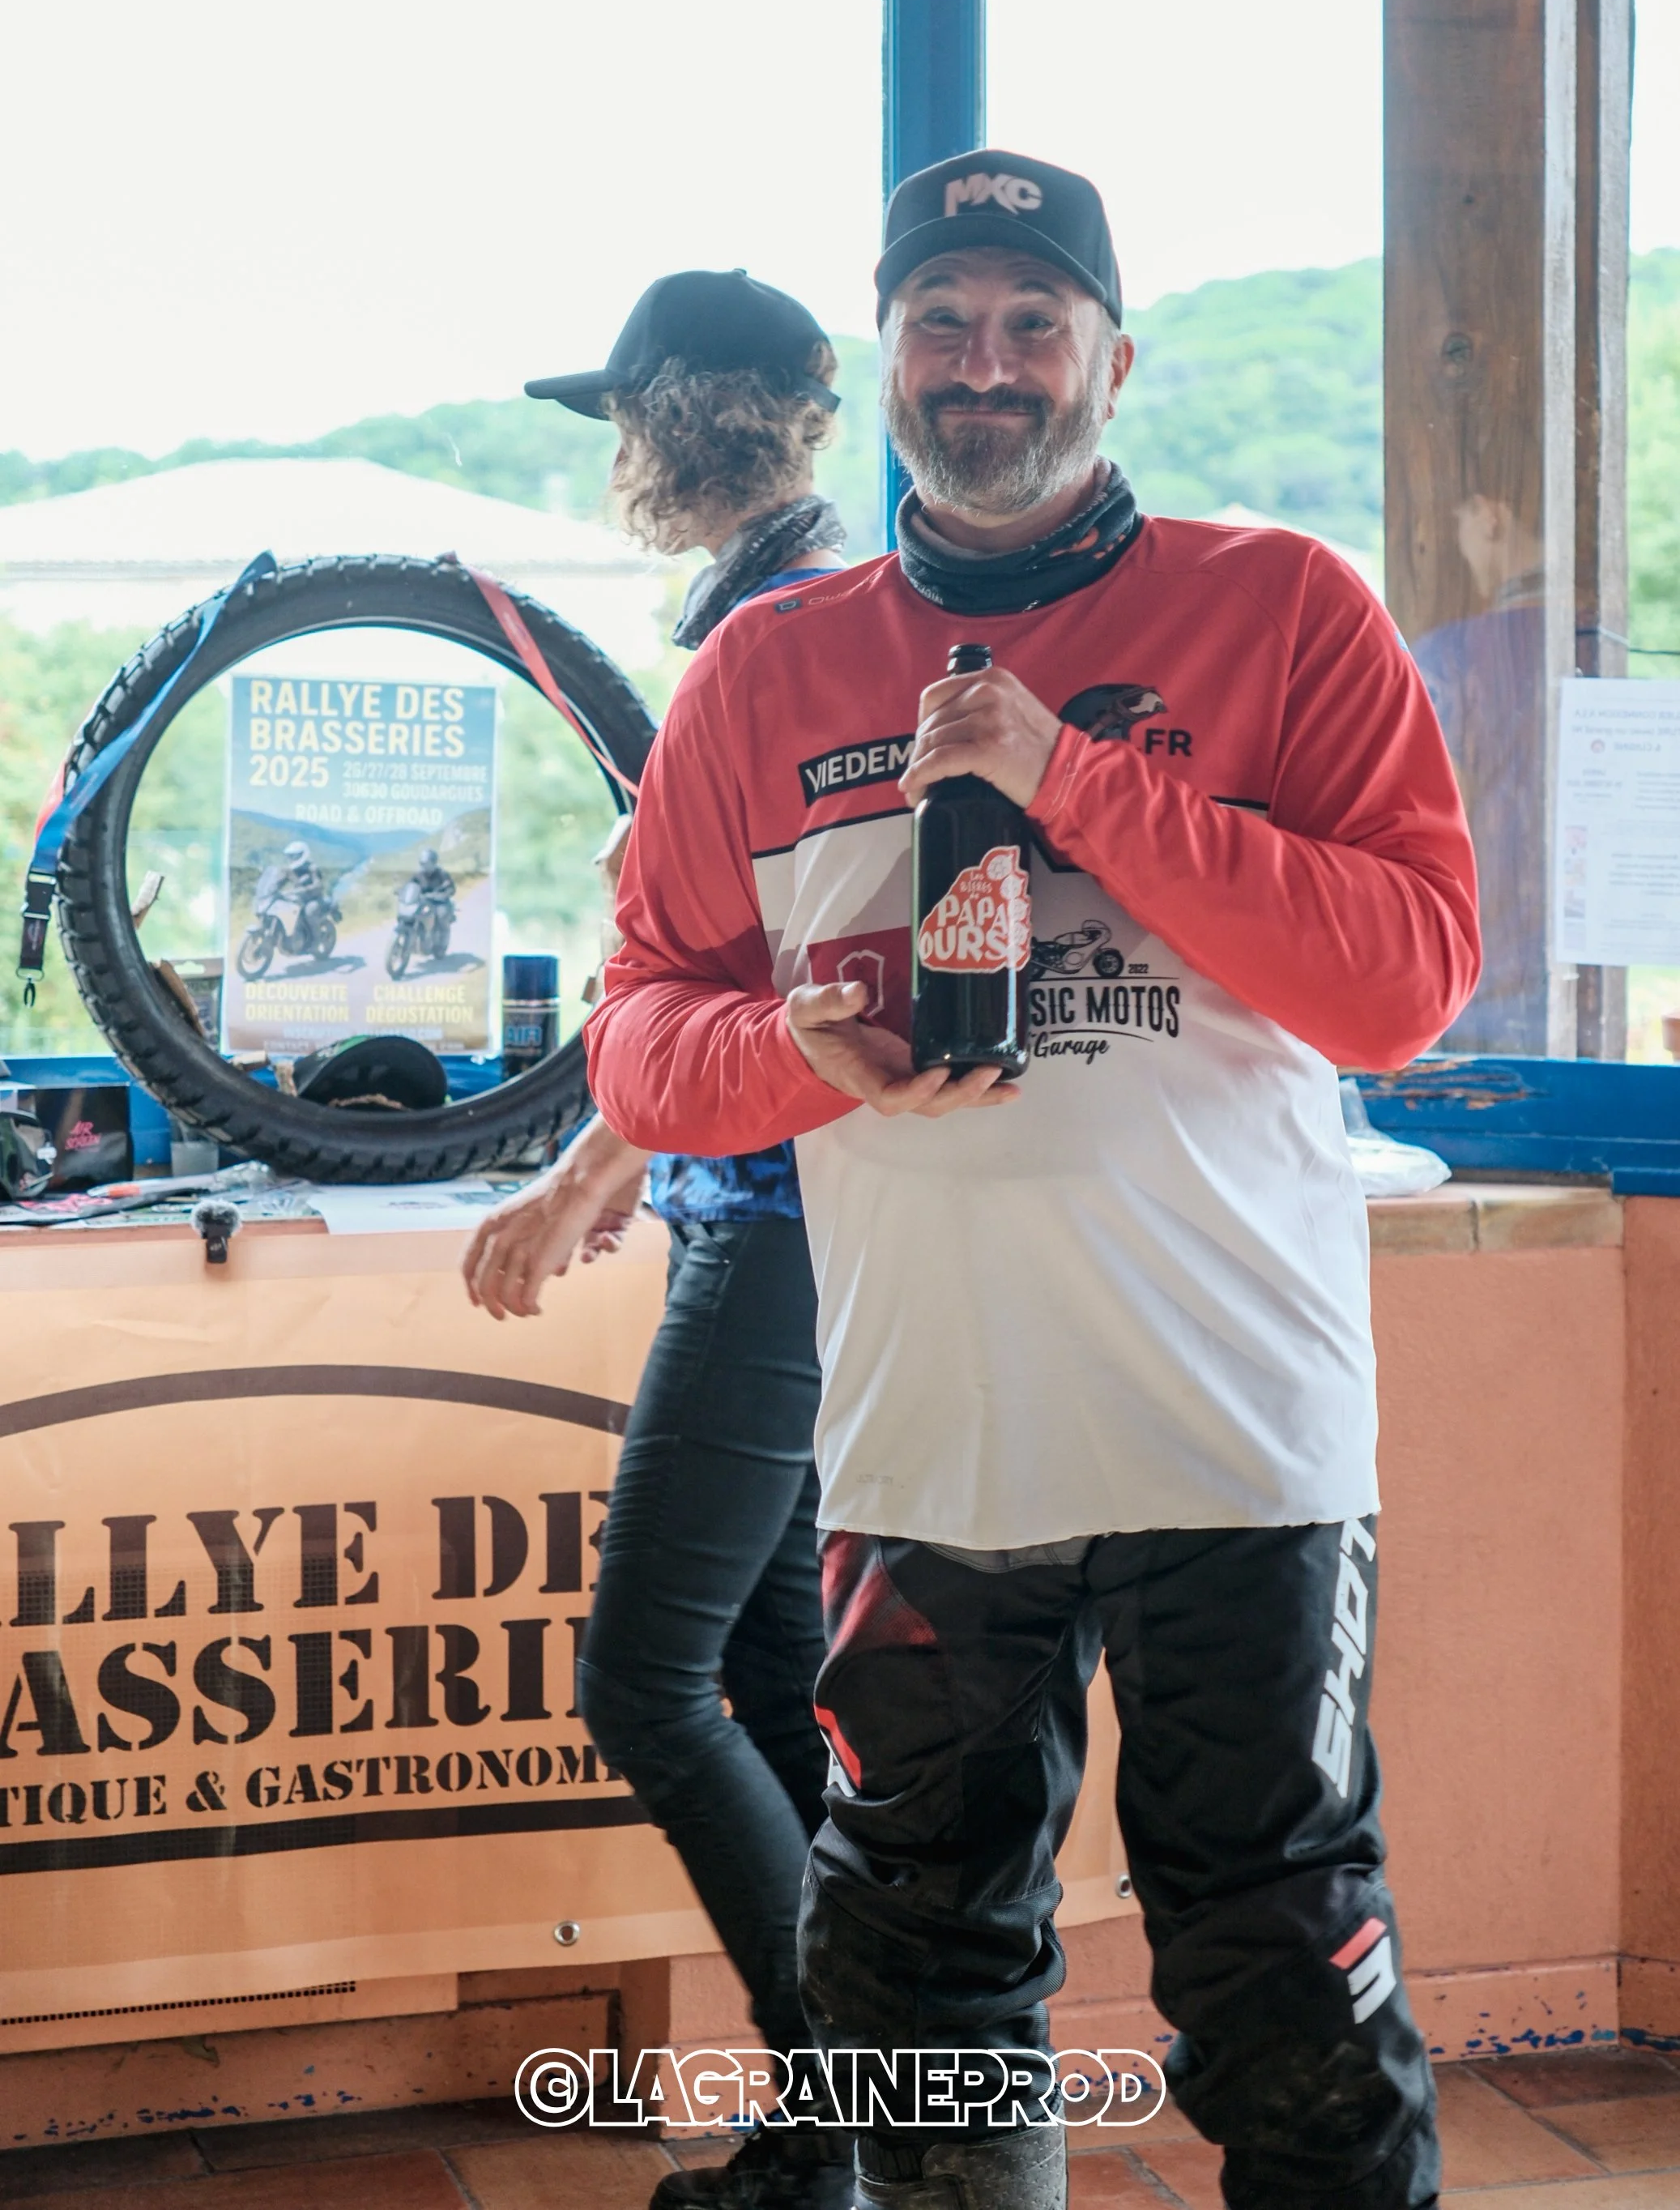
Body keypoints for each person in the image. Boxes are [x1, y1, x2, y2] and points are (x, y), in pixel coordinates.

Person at [583, 155, 1482, 2210]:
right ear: (885, 359)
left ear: (1109, 357)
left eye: (1028, 322)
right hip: (925, 1460)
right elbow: (642, 1029)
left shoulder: (1281, 606)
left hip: (1234, 1446)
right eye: (939, 324)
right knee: (911, 1978)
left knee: (1280, 1971)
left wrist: (1075, 778)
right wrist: (785, 1055)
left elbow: (1405, 984)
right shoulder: (762, 670)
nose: (982, 367)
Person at [462, 269, 855, 2210]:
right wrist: (631, 1169)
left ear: (673, 429)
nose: (617, 459)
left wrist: (571, 1177)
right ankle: (823, 2144)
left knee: (646, 1681)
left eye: (622, 421)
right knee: (779, 1690)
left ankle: (854, 2124)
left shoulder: (763, 645)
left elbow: (742, 983)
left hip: (779, 1225)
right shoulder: (794, 617)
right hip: (776, 1209)